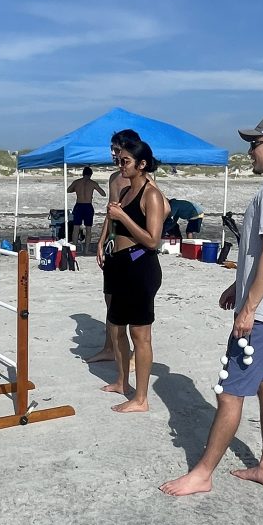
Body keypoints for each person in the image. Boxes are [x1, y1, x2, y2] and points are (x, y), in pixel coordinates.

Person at [161, 115, 263, 495]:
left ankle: (202, 473)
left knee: (229, 393)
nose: (250, 151)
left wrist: (249, 306)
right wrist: (237, 284)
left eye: (256, 144)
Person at [86, 129, 170, 363]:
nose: (115, 155)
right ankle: (109, 348)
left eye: (118, 150)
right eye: (113, 151)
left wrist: (132, 221)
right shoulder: (116, 179)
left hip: (137, 255)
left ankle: (131, 358)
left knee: (137, 324)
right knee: (110, 303)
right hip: (116, 252)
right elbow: (112, 212)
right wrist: (102, 241)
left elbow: (164, 211)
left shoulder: (145, 182)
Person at [97, 138, 165, 412]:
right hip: (119, 264)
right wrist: (104, 241)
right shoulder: (125, 193)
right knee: (116, 327)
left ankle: (141, 398)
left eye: (125, 161)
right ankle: (122, 381)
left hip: (140, 265)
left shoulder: (152, 195)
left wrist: (123, 217)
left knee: (141, 335)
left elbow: (152, 241)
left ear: (142, 164)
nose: (120, 164)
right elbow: (114, 224)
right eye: (118, 160)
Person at [66, 166, 106, 253]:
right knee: (88, 229)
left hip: (79, 205)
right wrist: (96, 188)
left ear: (82, 173)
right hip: (88, 206)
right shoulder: (93, 183)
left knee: (76, 228)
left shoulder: (77, 182)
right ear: (91, 174)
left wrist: (76, 189)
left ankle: (74, 249)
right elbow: (103, 194)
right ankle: (86, 250)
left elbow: (68, 190)